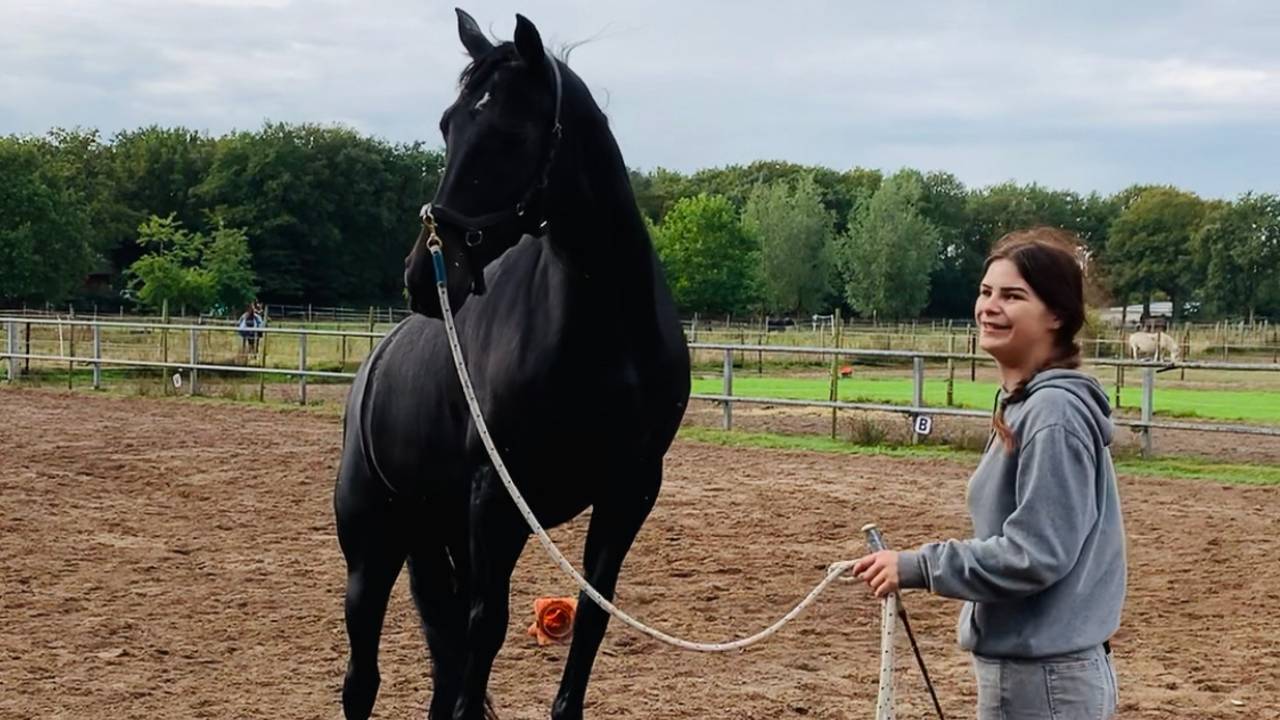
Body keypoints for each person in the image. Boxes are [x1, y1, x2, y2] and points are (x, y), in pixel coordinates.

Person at [853, 227, 1127, 719]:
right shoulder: (1025, 406)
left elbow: (1034, 554)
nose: (989, 307)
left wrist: (919, 566)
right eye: (986, 292)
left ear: (1057, 315)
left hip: (1045, 683)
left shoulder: (1052, 414)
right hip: (1035, 675)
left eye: (1012, 296)